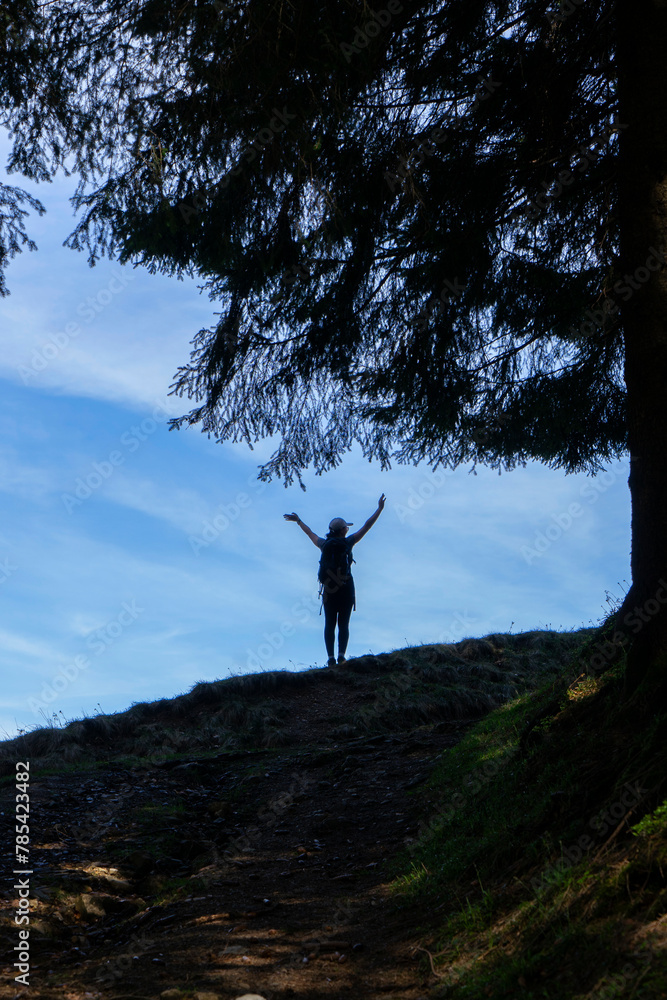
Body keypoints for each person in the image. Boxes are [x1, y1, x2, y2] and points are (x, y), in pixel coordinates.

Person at [284, 495, 386, 667]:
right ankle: (341, 656)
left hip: (329, 588)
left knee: (329, 623)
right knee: (344, 623)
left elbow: (310, 533)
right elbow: (367, 526)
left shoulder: (324, 544)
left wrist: (298, 521)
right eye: (346, 527)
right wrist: (379, 509)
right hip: (346, 587)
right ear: (343, 530)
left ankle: (330, 658)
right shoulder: (348, 543)